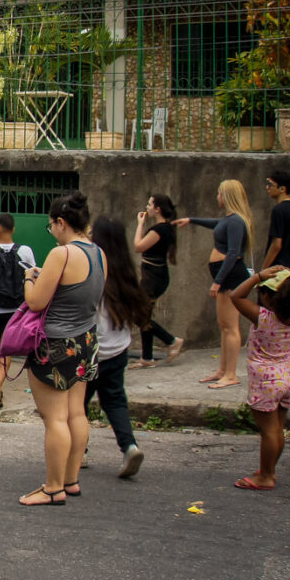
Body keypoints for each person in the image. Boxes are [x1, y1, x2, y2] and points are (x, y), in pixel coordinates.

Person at [19, 191, 105, 507]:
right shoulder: (99, 253)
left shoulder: (62, 254)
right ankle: (71, 480)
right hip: (86, 341)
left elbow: (36, 301)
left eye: (51, 225)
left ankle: (53, 488)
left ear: (60, 222)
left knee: (54, 418)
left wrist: (29, 278)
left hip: (56, 344)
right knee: (76, 412)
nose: (51, 231)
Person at [174, 179, 256, 389]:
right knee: (224, 326)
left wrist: (218, 282)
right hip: (223, 276)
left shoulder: (237, 221)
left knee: (230, 327)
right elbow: (216, 224)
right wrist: (191, 220)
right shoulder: (228, 220)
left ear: (226, 196)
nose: (217, 197)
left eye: (219, 193)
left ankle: (231, 374)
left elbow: (234, 253)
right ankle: (222, 370)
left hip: (230, 278)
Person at [87, 217, 151, 479]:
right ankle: (130, 446)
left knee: (77, 405)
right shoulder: (126, 272)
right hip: (118, 350)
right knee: (114, 400)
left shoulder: (92, 268)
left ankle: (78, 451)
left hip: (90, 351)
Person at [228, 266, 290, 490]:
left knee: (268, 431)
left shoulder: (263, 317)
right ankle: (269, 468)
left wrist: (258, 276)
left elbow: (235, 295)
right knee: (278, 428)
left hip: (266, 381)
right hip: (287, 377)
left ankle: (266, 476)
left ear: (267, 296)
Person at [0, 214, 35, 409]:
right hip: (17, 309)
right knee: (7, 349)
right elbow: (32, 276)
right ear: (14, 229)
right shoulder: (26, 250)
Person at [131, 194, 185, 368]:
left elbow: (138, 246)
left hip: (154, 278)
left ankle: (172, 341)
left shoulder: (160, 229)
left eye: (149, 204)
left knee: (139, 315)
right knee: (144, 314)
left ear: (158, 209)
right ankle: (147, 358)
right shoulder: (165, 228)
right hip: (155, 275)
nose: (147, 207)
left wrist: (140, 225)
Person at [264, 172, 290, 270]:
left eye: (271, 185)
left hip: (279, 269)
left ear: (282, 189)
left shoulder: (278, 210)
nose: (267, 187)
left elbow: (276, 245)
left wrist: (264, 270)